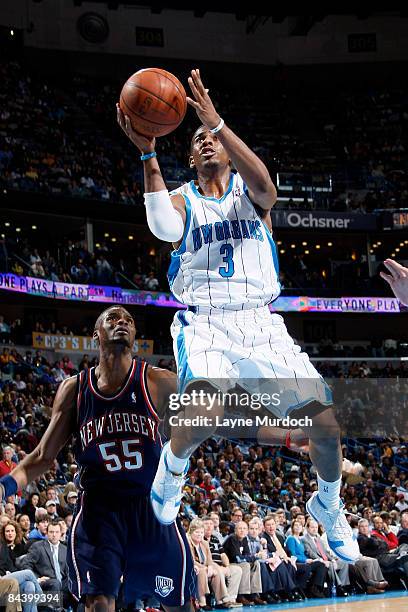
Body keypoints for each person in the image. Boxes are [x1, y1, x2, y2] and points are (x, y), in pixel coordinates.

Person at [117, 69, 359, 563]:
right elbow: (163, 227)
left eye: (213, 139)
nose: (206, 143)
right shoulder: (184, 197)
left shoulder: (251, 198)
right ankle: (172, 468)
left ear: (227, 148)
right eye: (199, 141)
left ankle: (329, 507)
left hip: (263, 324)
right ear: (189, 156)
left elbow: (267, 184)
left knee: (327, 429)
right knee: (202, 412)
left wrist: (216, 120)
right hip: (206, 321)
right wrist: (147, 154)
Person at [0, 306, 195, 612]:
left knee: (179, 605)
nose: (122, 323)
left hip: (151, 507)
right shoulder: (75, 390)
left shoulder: (159, 382)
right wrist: (5, 487)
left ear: (134, 336)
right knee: (99, 603)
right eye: (112, 319)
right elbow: (41, 456)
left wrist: (284, 433)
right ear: (96, 335)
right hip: (99, 512)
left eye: (128, 321)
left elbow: (213, 418)